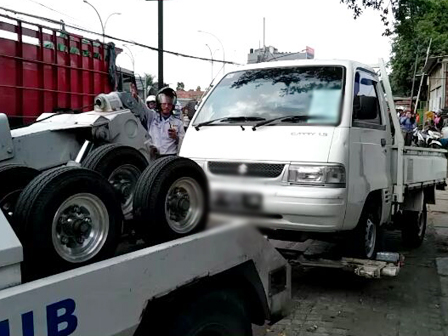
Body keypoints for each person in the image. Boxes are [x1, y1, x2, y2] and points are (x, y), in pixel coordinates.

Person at [147, 87, 185, 158]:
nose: (167, 106)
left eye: (169, 104)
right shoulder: (152, 117)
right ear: (159, 104)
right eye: (164, 104)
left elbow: (184, 142)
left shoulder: (178, 122)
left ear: (173, 105)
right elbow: (140, 109)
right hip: (154, 157)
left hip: (170, 158)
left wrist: (176, 137)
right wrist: (135, 97)